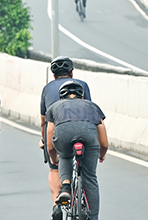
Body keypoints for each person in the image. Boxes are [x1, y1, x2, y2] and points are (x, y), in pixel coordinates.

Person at [46, 81, 108, 220]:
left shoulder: (54, 107)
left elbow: (50, 138)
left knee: (66, 156)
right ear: (82, 97)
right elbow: (103, 141)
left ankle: (66, 187)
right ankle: (93, 217)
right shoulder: (92, 106)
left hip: (64, 136)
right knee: (90, 178)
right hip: (88, 137)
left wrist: (54, 157)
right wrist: (102, 155)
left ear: (61, 97)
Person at [39, 56, 92, 201]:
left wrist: (43, 140)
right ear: (72, 73)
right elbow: (89, 110)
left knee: (55, 167)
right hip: (83, 129)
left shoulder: (47, 88)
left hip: (57, 130)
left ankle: (58, 205)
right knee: (89, 171)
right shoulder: (83, 85)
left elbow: (44, 121)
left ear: (54, 75)